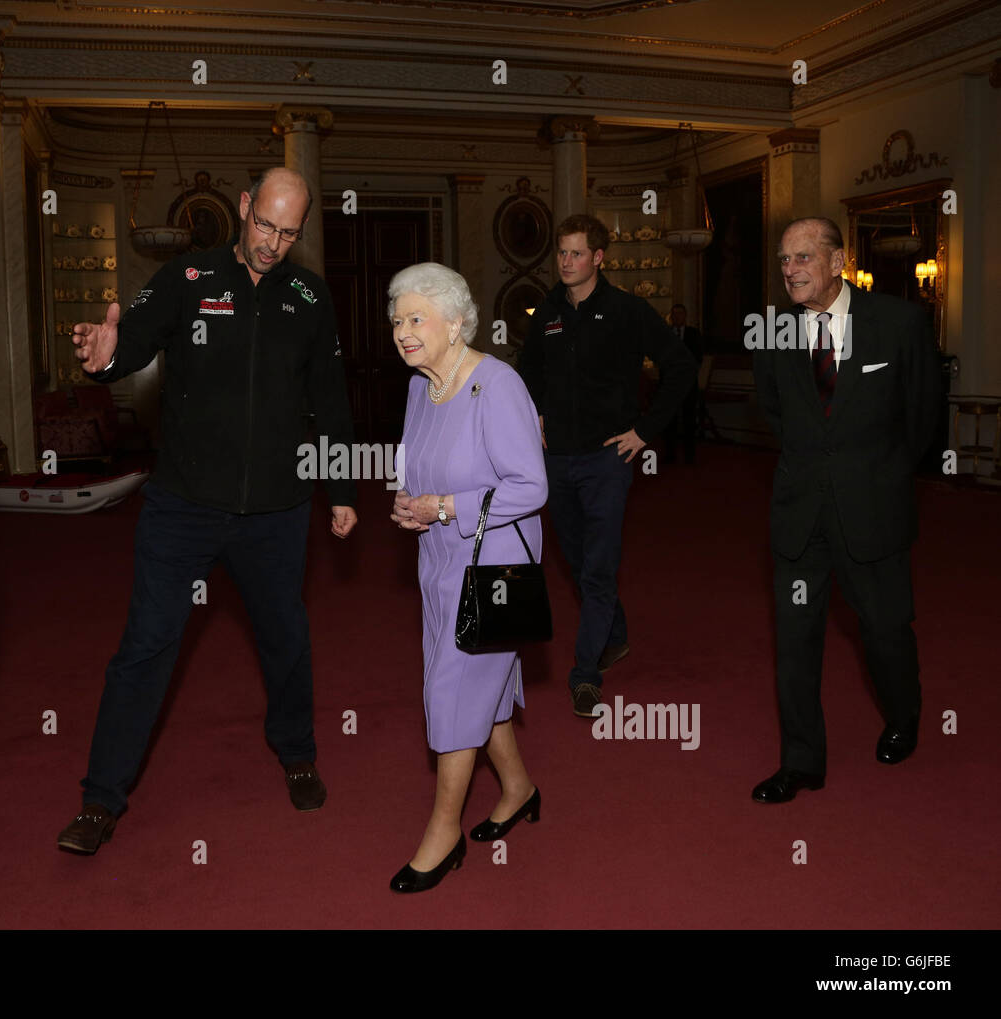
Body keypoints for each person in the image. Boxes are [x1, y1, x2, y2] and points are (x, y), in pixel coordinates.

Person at [59, 167, 358, 854]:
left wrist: (340, 489)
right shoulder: (188, 279)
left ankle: (297, 750)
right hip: (185, 504)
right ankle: (100, 799)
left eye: (288, 233)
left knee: (285, 639)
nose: (272, 244)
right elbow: (129, 339)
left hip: (277, 511)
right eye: (264, 225)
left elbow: (331, 399)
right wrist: (105, 360)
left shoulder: (310, 296)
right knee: (145, 647)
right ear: (245, 207)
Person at [750, 217, 940, 803]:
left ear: (838, 261)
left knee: (885, 632)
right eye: (784, 259)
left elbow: (925, 421)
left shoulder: (898, 322)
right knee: (795, 642)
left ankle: (904, 714)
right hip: (800, 516)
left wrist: (876, 477)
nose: (790, 270)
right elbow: (775, 414)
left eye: (803, 258)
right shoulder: (772, 330)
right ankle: (802, 761)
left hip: (872, 512)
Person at [388, 263, 547, 893]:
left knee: (453, 686)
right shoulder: (420, 388)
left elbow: (531, 486)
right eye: (397, 320)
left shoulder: (497, 384)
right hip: (438, 557)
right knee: (477, 678)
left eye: (416, 318)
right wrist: (412, 501)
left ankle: (444, 831)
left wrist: (444, 507)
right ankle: (518, 787)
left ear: (457, 322)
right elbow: (425, 468)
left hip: (493, 563)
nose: (402, 331)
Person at [518, 215, 695, 719]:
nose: (566, 262)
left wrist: (645, 430)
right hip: (554, 462)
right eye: (562, 253)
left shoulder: (627, 311)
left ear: (599, 257)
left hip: (607, 460)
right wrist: (535, 417)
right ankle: (614, 636)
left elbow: (679, 367)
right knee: (577, 563)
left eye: (577, 253)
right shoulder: (546, 313)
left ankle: (585, 674)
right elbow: (527, 373)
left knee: (597, 567)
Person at [662, 303, 704, 464]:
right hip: (669, 384)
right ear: (671, 317)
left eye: (680, 314)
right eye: (674, 314)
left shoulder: (693, 334)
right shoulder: (665, 334)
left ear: (685, 316)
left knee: (689, 420)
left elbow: (698, 358)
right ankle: (669, 454)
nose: (677, 317)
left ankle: (689, 455)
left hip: (688, 384)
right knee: (669, 420)